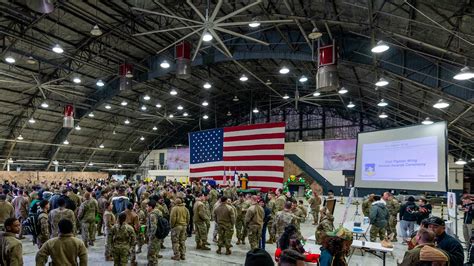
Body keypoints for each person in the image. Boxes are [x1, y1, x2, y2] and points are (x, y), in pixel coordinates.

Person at [146, 200, 163, 265]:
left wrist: (151, 236)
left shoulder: (152, 215)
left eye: (147, 207)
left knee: (151, 252)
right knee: (155, 251)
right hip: (158, 234)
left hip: (154, 236)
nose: (146, 208)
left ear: (151, 207)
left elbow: (154, 227)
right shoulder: (159, 212)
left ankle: (153, 264)